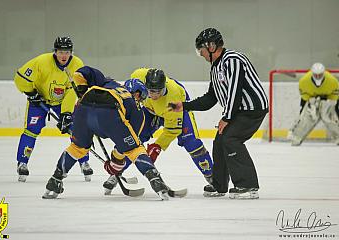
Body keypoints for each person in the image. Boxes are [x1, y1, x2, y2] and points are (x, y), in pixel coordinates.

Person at [43, 66, 173, 200]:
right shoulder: (136, 109)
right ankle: (155, 179)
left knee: (77, 148)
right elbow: (127, 146)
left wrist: (82, 88)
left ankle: (55, 180)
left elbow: (83, 72)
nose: (140, 101)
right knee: (135, 149)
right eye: (141, 98)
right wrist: (116, 163)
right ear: (138, 94)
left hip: (83, 108)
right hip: (110, 112)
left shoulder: (108, 83)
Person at [169, 28, 268, 199]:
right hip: (238, 110)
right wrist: (184, 106)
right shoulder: (216, 68)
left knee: (231, 139)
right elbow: (210, 99)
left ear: (211, 46)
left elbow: (235, 91)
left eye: (201, 50)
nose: (201, 54)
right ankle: (219, 185)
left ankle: (248, 185)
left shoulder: (233, 60)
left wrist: (227, 117)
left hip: (253, 109)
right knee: (220, 140)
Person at [102, 68, 214, 196]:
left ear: (163, 87)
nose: (153, 95)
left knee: (192, 143)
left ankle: (212, 179)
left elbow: (173, 129)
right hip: (150, 111)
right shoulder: (138, 76)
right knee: (132, 139)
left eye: (157, 91)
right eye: (150, 91)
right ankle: (116, 172)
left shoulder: (173, 96)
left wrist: (157, 146)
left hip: (176, 109)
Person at [14, 36, 93, 182]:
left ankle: (84, 162)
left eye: (67, 52)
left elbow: (72, 90)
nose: (64, 55)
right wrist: (31, 93)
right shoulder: (41, 61)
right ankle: (22, 163)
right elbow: (20, 77)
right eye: (61, 51)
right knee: (31, 130)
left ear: (71, 52)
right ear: (55, 52)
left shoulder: (77, 64)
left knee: (77, 130)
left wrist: (66, 113)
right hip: (39, 101)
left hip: (62, 101)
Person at [287, 63, 339, 146]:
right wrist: (312, 105)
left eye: (320, 75)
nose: (318, 76)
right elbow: (305, 97)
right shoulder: (304, 81)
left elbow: (334, 97)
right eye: (316, 75)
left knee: (329, 118)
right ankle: (296, 136)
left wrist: (328, 106)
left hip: (328, 99)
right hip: (312, 99)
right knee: (308, 117)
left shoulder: (333, 81)